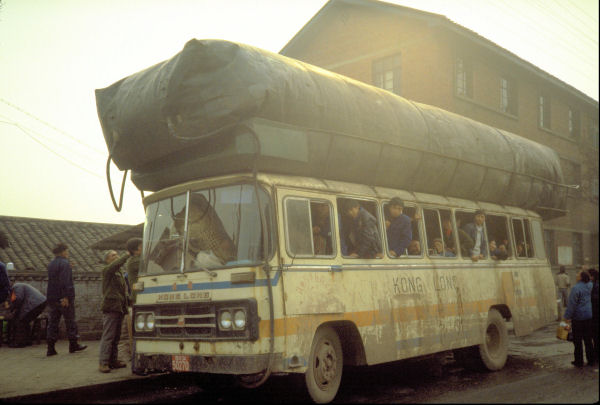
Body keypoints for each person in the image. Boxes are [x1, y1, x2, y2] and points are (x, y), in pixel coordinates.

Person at [46, 243, 87, 356]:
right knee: (70, 321)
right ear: (63, 251)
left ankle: (50, 348)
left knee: (53, 322)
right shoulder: (65, 264)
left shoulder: (51, 264)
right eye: (67, 251)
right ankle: (73, 345)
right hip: (63, 298)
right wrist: (65, 296)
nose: (68, 253)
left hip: (52, 297)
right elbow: (65, 281)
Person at [99, 249, 130, 373]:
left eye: (117, 254)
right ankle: (103, 363)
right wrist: (126, 255)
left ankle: (113, 361)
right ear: (107, 260)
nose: (116, 256)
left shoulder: (119, 273)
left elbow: (122, 292)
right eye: (113, 255)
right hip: (111, 307)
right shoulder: (107, 270)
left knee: (116, 337)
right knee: (108, 336)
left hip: (119, 307)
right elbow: (116, 264)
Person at [563, 270, 595, 367]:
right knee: (588, 340)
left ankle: (579, 361)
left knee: (577, 341)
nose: (576, 276)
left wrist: (567, 317)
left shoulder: (575, 288)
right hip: (589, 316)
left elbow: (572, 304)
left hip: (578, 318)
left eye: (578, 274)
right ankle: (591, 360)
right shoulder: (590, 286)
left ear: (581, 277)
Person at [118, 237, 142, 362]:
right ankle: (132, 358)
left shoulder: (137, 260)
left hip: (140, 299)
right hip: (138, 299)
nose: (144, 248)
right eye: (141, 246)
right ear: (136, 249)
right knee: (132, 332)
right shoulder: (134, 261)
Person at [6, 283, 47, 347]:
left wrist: (11, 307)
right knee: (25, 321)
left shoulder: (16, 286)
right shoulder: (18, 287)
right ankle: (27, 341)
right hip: (40, 303)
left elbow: (19, 299)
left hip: (35, 303)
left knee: (20, 321)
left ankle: (19, 343)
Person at [588, 268, 599, 362]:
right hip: (594, 314)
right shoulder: (593, 285)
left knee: (595, 336)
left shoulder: (595, 285)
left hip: (595, 314)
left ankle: (596, 356)